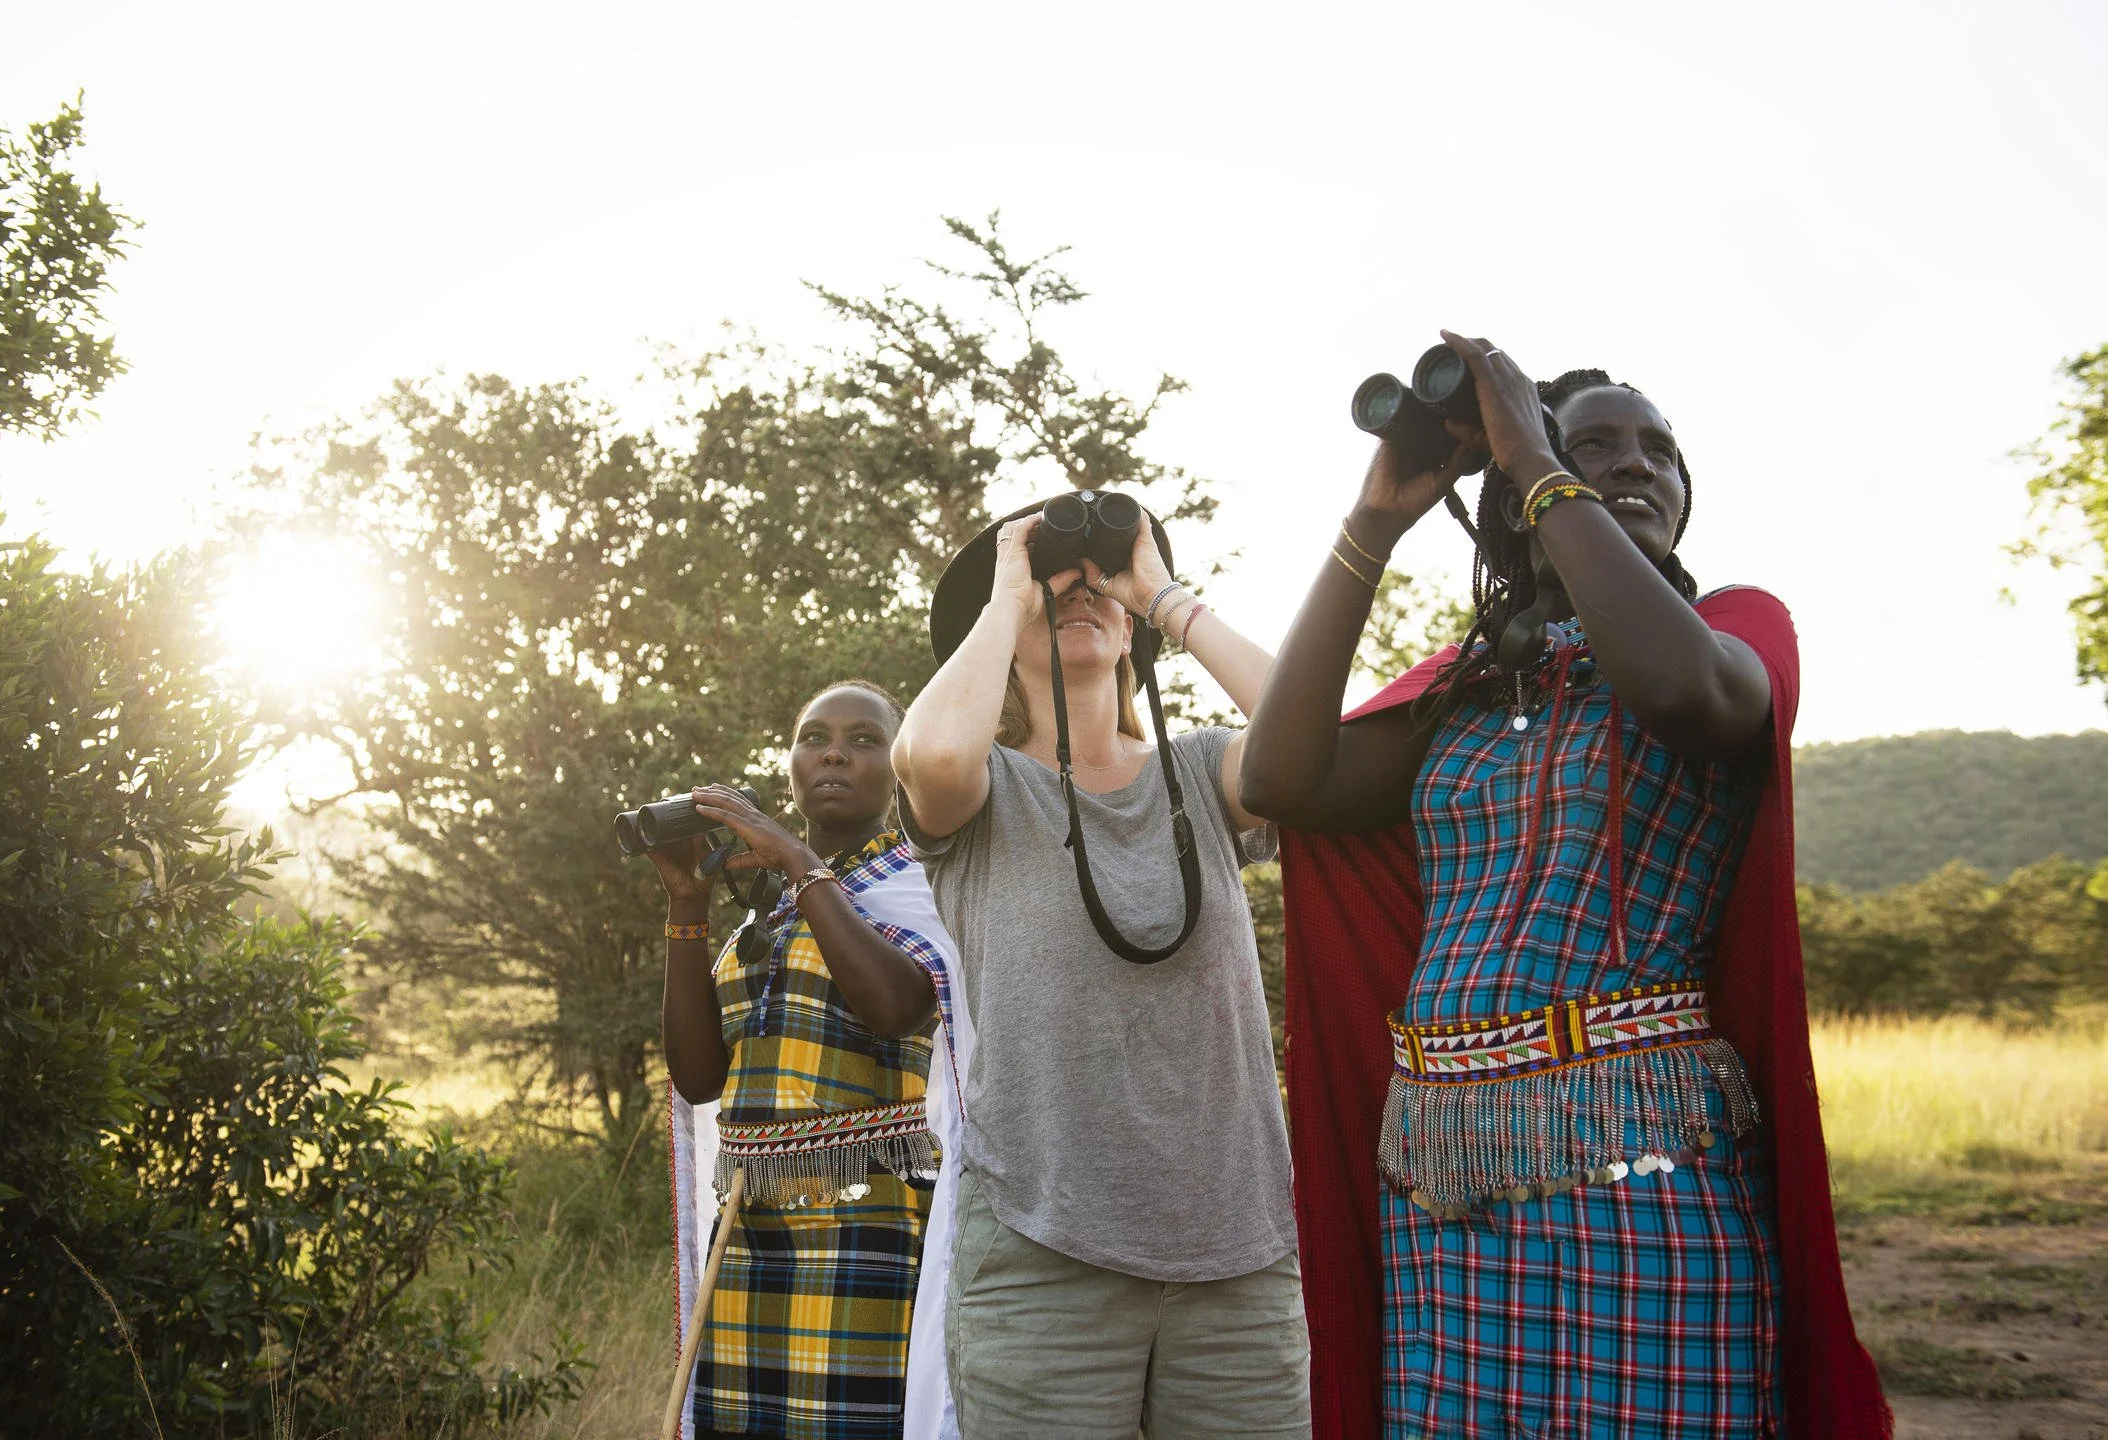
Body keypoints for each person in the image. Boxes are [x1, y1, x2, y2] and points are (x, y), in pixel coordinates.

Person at [1241, 334, 1889, 1439]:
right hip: (1439, 1184)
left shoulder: (1733, 626)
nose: (1637, 465)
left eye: (1660, 452)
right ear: (1503, 504)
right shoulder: (1463, 691)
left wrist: (1541, 461)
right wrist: (1375, 524)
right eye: (1598, 444)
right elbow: (1280, 779)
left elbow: (1685, 695)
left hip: (1644, 1163)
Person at [892, 497, 1310, 1438]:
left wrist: (1162, 593)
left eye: (1099, 585)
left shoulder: (1201, 773)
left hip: (1238, 1257)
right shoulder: (984, 795)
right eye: (1054, 583)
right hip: (1044, 1253)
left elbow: (1318, 735)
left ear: (1135, 635)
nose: (1078, 591)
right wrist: (1009, 588)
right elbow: (930, 750)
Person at [651, 680, 961, 1440]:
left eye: (864, 739)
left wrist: (792, 858)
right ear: (790, 762)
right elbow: (697, 1079)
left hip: (867, 1226)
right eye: (814, 736)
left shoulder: (919, 888)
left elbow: (896, 1007)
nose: (833, 752)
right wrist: (688, 906)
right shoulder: (769, 914)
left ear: (903, 769)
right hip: (749, 1232)